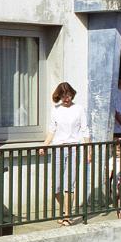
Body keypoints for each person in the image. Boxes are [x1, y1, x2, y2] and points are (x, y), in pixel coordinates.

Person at [42, 81, 89, 224]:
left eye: (68, 95)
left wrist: (88, 149)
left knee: (70, 183)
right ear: (59, 96)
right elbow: (52, 129)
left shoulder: (79, 109)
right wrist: (44, 145)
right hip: (58, 148)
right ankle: (65, 209)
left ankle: (67, 216)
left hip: (74, 147)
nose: (66, 98)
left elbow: (85, 129)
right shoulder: (55, 109)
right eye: (63, 96)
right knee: (55, 186)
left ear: (72, 94)